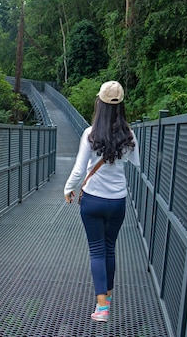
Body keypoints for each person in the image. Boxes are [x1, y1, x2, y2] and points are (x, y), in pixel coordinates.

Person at [63, 80, 140, 322]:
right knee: (109, 248)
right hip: (117, 201)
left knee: (96, 250)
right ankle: (106, 297)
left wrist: (68, 188)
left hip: (92, 200)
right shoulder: (129, 134)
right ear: (121, 105)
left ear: (99, 103)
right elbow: (138, 163)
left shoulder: (90, 133)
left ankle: (102, 308)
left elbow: (78, 169)